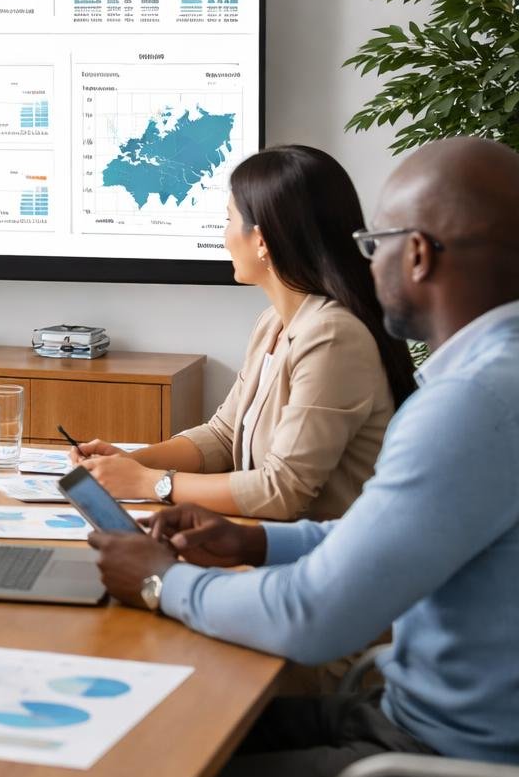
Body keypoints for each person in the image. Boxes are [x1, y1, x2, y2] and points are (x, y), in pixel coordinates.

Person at [88, 137, 519, 777]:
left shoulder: (473, 402)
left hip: (449, 763)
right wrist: (254, 542)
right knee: (143, 732)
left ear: (418, 254)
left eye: (375, 244)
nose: (366, 263)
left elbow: (314, 616)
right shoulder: (488, 381)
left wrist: (161, 582)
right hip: (409, 716)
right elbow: (381, 536)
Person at [71, 145, 416, 520]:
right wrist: (130, 463)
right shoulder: (274, 322)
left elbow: (282, 490)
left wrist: (148, 483)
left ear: (261, 240)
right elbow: (223, 435)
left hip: (317, 548)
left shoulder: (332, 336)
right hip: (265, 537)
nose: (224, 237)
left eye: (228, 220)